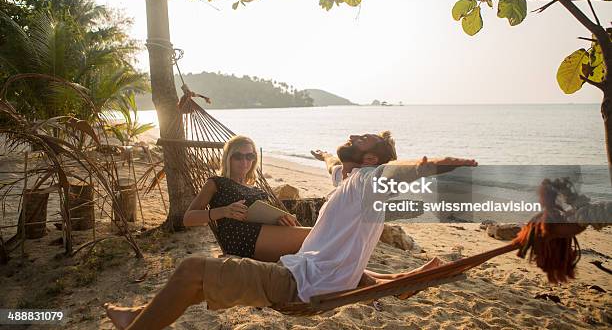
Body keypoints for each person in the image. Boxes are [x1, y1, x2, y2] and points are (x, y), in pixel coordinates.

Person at [105, 132, 477, 330]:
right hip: (305, 273)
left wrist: (431, 165)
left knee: (192, 269)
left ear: (369, 159)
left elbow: (397, 170)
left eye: (362, 138)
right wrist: (324, 157)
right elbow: (335, 165)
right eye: (240, 155)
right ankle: (406, 279)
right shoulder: (347, 179)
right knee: (202, 279)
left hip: (300, 283)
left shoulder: (366, 180)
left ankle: (134, 328)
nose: (354, 134)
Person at [183, 135, 310, 262]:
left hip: (265, 235)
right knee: (317, 237)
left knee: (314, 243)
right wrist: (224, 211)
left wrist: (281, 221)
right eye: (238, 156)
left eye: (249, 156)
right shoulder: (216, 183)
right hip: (240, 238)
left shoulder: (258, 190)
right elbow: (188, 219)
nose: (244, 162)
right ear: (228, 158)